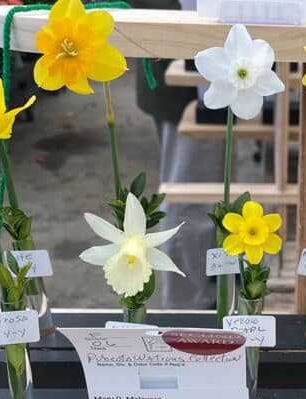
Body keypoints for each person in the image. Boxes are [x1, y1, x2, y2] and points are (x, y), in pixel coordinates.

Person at [132, 0, 223, 309]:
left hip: (205, 59)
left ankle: (208, 285)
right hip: (186, 67)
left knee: (208, 190)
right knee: (191, 198)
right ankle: (188, 310)